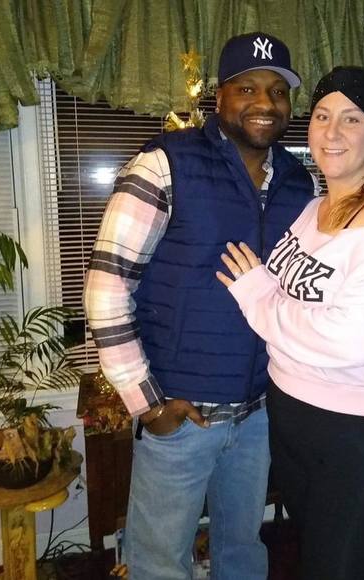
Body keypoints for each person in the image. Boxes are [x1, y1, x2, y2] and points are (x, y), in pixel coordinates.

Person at [84, 32, 315, 580]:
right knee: (159, 562)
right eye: (247, 88)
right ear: (220, 96)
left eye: (278, 91)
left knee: (242, 552)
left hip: (258, 411)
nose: (265, 103)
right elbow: (107, 287)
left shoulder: (298, 183)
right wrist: (147, 404)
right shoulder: (164, 164)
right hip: (181, 412)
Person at [217, 66, 364, 580]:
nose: (331, 131)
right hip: (293, 422)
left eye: (352, 119)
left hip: (362, 440)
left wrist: (255, 295)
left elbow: (350, 341)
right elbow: (287, 298)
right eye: (322, 116)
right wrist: (265, 296)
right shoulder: (313, 209)